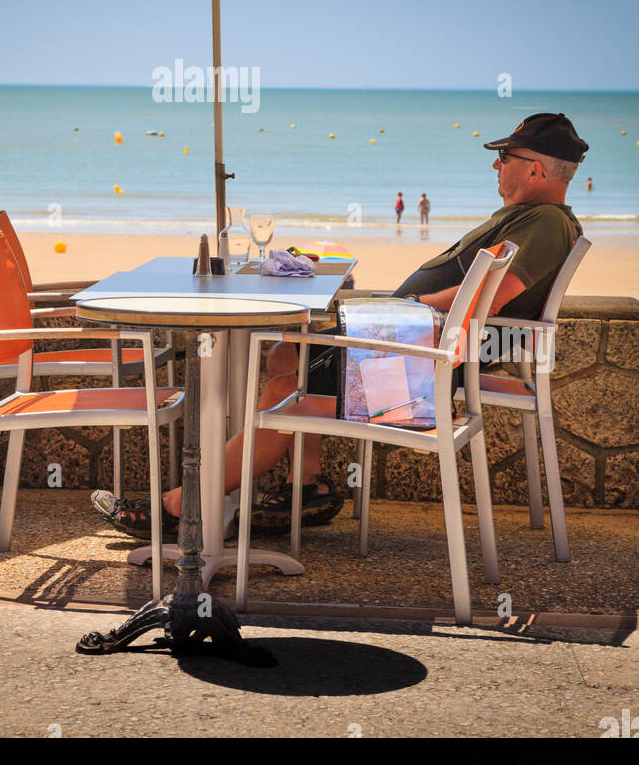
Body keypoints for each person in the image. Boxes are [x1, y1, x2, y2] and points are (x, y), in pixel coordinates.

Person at [92, 111, 589, 540]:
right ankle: (306, 489)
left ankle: (185, 506)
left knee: (284, 396)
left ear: (536, 168)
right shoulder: (532, 218)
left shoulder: (545, 222)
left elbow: (477, 303)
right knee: (286, 354)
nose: (495, 165)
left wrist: (397, 306)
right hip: (409, 345)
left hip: (414, 362)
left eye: (505, 157)